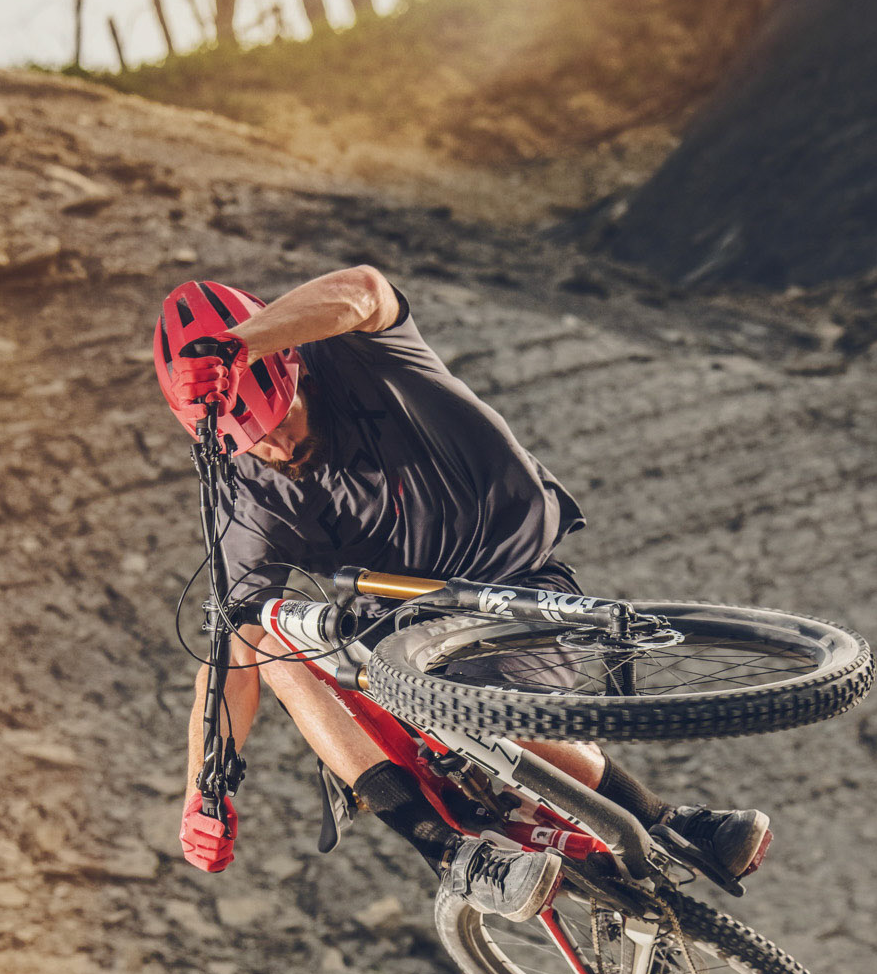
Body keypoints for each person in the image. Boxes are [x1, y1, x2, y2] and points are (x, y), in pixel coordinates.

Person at [155, 268, 771, 919]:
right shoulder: (246, 492)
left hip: (508, 585)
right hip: (393, 636)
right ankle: (449, 853)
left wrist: (241, 345)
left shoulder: (359, 357)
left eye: (280, 418)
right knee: (267, 638)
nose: (276, 446)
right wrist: (202, 792)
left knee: (474, 706)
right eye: (252, 442)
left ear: (290, 364)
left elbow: (365, 290)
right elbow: (230, 658)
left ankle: (666, 822)